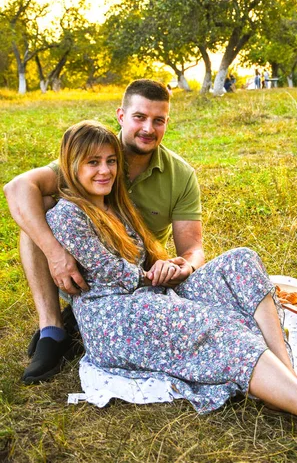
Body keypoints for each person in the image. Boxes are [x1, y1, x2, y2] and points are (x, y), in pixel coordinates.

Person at [45, 120, 297, 463]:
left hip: (150, 293)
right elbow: (112, 273)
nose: (105, 170)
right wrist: (156, 274)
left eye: (110, 161)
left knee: (241, 261)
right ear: (71, 165)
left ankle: (287, 378)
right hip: (112, 316)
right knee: (213, 323)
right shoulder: (67, 214)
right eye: (93, 162)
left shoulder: (116, 205)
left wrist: (172, 266)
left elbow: (148, 262)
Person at [3, 80, 205, 384]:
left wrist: (182, 264)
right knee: (38, 206)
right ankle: (52, 329)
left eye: (158, 120)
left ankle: (82, 317)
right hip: (81, 269)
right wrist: (55, 254)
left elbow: (194, 248)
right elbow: (17, 187)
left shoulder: (180, 174)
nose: (148, 128)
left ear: (166, 123)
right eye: (140, 117)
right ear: (121, 116)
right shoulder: (96, 156)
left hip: (140, 272)